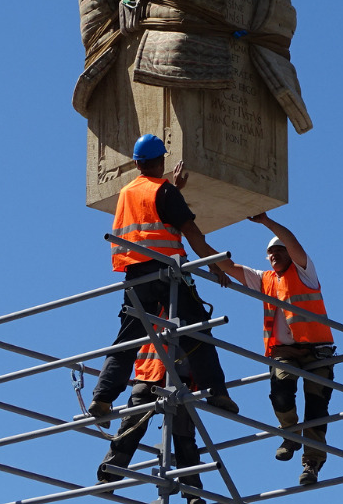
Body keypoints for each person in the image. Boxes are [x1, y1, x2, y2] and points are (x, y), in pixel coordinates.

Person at [88, 133, 238, 426]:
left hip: (135, 276)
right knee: (197, 330)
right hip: (167, 273)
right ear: (161, 162)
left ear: (136, 162)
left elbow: (149, 217)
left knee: (128, 339)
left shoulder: (127, 193)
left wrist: (175, 189)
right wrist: (215, 265)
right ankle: (217, 391)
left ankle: (102, 397)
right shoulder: (165, 192)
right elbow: (192, 233)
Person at [219, 213, 335, 486]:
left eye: (278, 251)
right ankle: (290, 434)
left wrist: (266, 222)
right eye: (269, 254)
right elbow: (228, 265)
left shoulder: (304, 272)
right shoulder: (264, 279)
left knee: (317, 408)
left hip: (317, 350)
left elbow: (295, 244)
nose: (273, 256)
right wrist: (193, 235)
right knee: (281, 395)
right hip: (285, 352)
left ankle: (312, 463)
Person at [97, 334, 206, 504]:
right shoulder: (156, 308)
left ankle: (192, 493)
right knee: (131, 429)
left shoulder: (190, 311)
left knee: (183, 438)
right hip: (150, 375)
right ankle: (108, 478)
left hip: (176, 380)